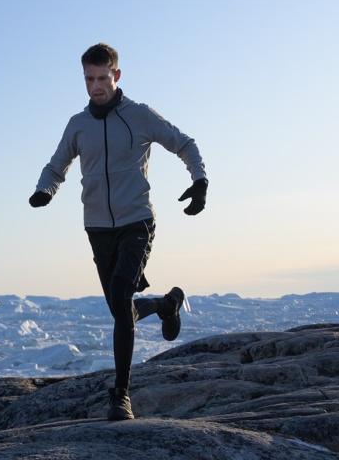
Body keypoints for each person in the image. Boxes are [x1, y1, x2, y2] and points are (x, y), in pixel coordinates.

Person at [29, 42, 208, 421]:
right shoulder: (77, 125)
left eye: (101, 78)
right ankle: (164, 304)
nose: (95, 86)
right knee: (120, 310)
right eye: (88, 79)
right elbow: (57, 164)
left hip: (137, 221)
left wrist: (200, 179)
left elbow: (184, 143)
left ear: (117, 75)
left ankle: (121, 396)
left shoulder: (138, 116)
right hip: (97, 227)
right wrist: (45, 189)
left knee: (123, 292)